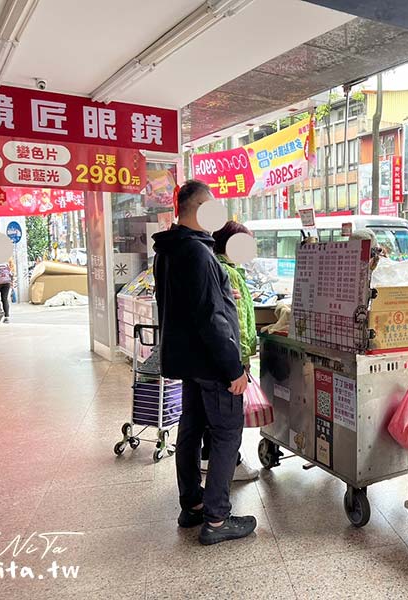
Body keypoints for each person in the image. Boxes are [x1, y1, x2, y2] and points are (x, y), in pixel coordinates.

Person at [152, 180, 256, 546]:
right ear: (196, 208)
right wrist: (233, 369)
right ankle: (216, 519)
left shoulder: (167, 250)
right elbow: (212, 317)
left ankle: (192, 504)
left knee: (191, 429)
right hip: (211, 363)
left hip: (187, 361)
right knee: (227, 433)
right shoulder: (197, 254)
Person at [200, 221, 259, 481]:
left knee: (212, 417)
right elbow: (239, 322)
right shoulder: (229, 272)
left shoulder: (222, 268)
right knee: (228, 421)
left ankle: (209, 458)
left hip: (215, 357)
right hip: (231, 355)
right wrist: (243, 358)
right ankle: (229, 468)